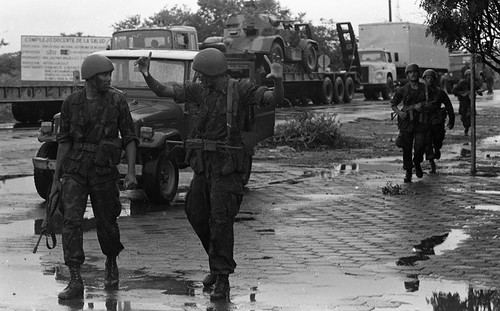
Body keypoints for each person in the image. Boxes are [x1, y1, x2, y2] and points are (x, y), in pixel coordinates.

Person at [135, 48, 284, 300]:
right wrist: (146, 74)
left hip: (227, 168)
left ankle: (222, 278)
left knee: (220, 220)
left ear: (214, 72)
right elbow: (164, 91)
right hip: (204, 166)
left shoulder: (241, 89)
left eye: (202, 74)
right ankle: (217, 263)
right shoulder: (199, 90)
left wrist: (278, 80)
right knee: (195, 211)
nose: (199, 78)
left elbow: (273, 99)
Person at [49, 54, 139, 300]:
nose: (108, 78)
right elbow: (64, 143)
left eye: (110, 74)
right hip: (76, 170)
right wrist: (56, 180)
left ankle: (111, 262)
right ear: (90, 78)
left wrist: (130, 171)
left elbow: (130, 138)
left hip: (103, 170)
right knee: (71, 223)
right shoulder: (71, 103)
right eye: (103, 75)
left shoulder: (117, 102)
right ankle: (75, 279)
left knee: (107, 221)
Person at [391, 63, 428, 183]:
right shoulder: (403, 90)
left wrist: (423, 107)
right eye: (410, 72)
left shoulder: (425, 88)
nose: (413, 74)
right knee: (406, 147)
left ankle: (417, 163)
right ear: (407, 75)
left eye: (415, 72)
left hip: (420, 121)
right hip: (407, 122)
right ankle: (408, 171)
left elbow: (430, 102)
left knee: (420, 145)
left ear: (418, 73)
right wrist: (400, 113)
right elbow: (393, 104)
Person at [421, 69, 455, 173]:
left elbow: (449, 106)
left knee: (438, 139)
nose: (429, 80)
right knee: (426, 142)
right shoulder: (421, 92)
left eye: (431, 78)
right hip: (425, 120)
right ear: (424, 79)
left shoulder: (440, 92)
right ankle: (432, 163)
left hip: (437, 121)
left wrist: (451, 121)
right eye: (427, 78)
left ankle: (437, 149)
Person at [452, 69, 482, 136]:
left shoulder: (474, 83)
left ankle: (468, 129)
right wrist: (462, 93)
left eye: (470, 75)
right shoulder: (461, 83)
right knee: (464, 116)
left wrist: (479, 91)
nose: (469, 77)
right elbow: (454, 91)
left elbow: (478, 89)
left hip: (470, 103)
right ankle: (466, 127)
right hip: (463, 103)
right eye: (467, 75)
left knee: (471, 116)